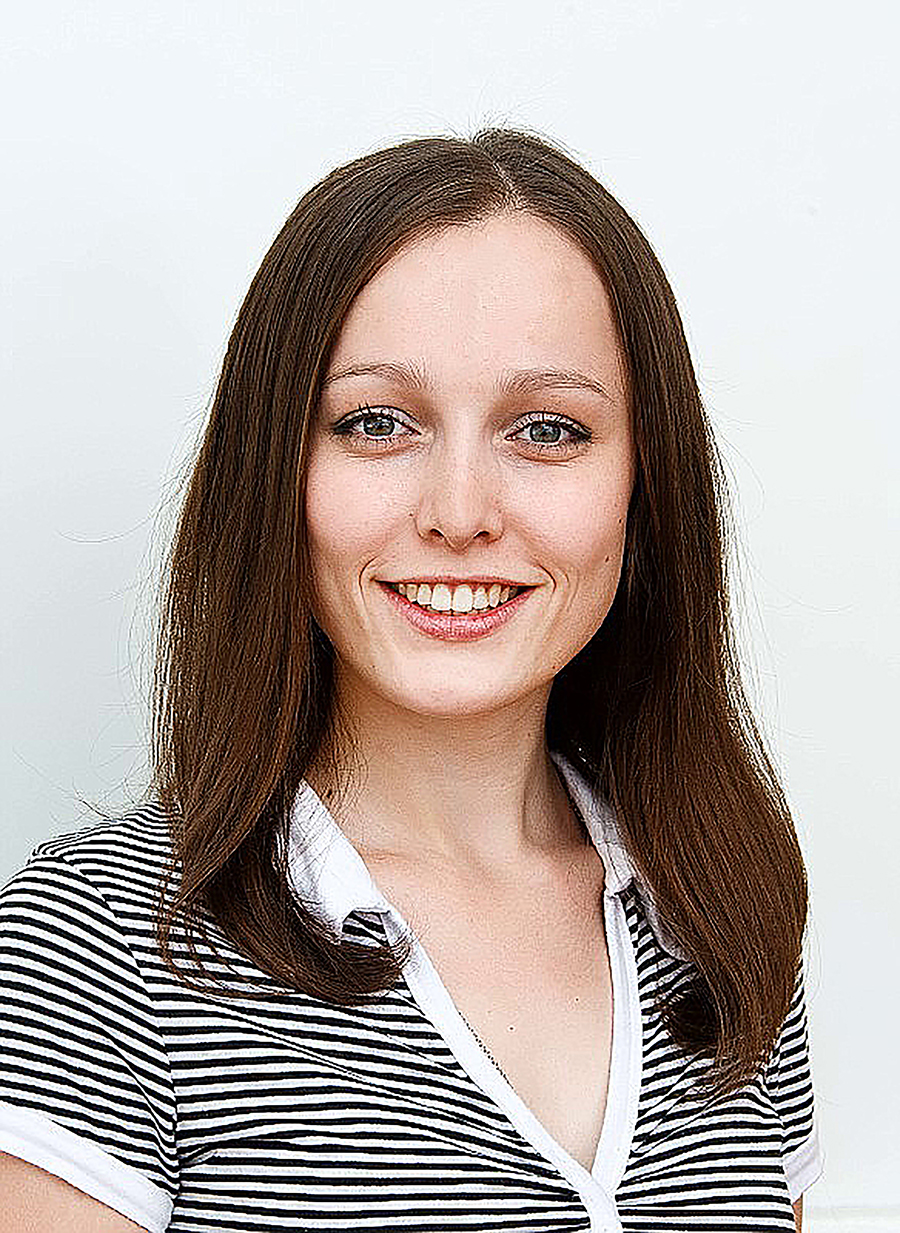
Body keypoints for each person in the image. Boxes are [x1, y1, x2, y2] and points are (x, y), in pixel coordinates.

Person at [0, 128, 823, 1232]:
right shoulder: (98, 944)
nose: (460, 511)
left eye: (549, 429)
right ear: (276, 473)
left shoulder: (721, 914)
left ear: (644, 486)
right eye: (376, 423)